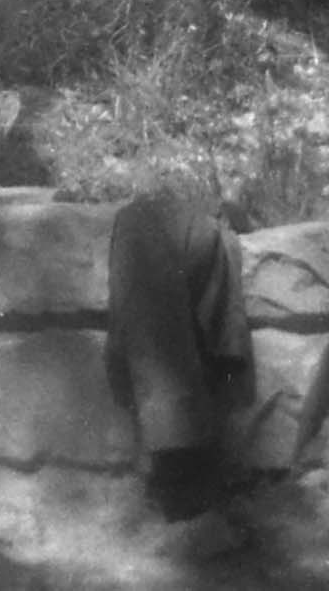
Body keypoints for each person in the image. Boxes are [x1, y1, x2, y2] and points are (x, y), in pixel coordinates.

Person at [105, 189, 254, 519]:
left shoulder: (136, 214)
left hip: (138, 253)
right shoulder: (210, 226)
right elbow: (225, 324)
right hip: (181, 408)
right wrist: (230, 355)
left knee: (155, 366)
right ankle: (186, 497)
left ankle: (173, 487)